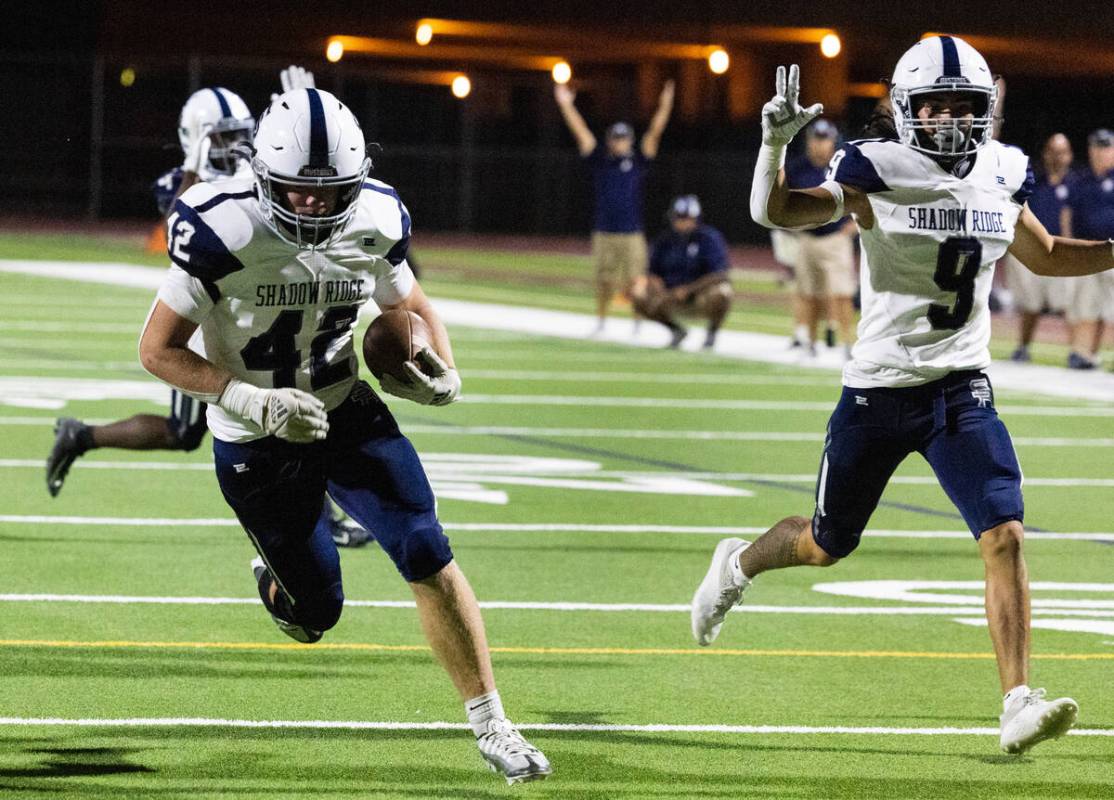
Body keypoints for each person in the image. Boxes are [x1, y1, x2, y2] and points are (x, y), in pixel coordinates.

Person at [695, 37, 1114, 755]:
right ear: (903, 110)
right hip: (879, 391)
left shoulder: (1002, 171)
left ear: (988, 110)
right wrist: (772, 147)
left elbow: (1043, 253)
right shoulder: (873, 167)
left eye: (964, 106)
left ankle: (1016, 701)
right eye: (934, 105)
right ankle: (737, 565)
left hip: (961, 388)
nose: (949, 120)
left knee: (1005, 534)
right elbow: (780, 213)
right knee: (827, 545)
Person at [136, 87, 550, 783]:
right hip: (253, 435)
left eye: (330, 195)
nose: (314, 207)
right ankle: (279, 585)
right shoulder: (221, 227)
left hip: (343, 405)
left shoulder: (378, 217)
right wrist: (247, 399)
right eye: (297, 193)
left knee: (426, 547)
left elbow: (410, 305)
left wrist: (441, 365)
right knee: (317, 613)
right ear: (266, 178)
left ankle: (493, 725)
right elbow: (156, 349)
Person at [46, 72, 372, 549]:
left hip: (255, 316)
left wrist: (294, 129)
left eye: (238, 135)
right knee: (195, 428)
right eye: (218, 138)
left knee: (280, 399)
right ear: (192, 139)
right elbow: (181, 234)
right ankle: (83, 436)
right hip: (206, 325)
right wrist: (196, 172)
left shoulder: (259, 173)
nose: (231, 146)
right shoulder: (176, 183)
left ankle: (319, 518)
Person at [554, 79, 675, 334]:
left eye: (624, 138)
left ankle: (637, 324)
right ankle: (601, 321)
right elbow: (581, 132)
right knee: (603, 280)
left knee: (636, 280)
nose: (620, 142)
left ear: (630, 140)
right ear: (610, 140)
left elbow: (655, 131)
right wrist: (566, 105)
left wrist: (665, 105)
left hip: (631, 231)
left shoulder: (638, 161)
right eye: (616, 138)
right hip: (604, 229)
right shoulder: (600, 161)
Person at [784, 119, 857, 358]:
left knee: (842, 293)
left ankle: (849, 343)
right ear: (809, 141)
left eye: (824, 140)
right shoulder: (797, 168)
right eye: (816, 139)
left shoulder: (844, 166)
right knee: (808, 293)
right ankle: (809, 342)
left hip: (835, 238)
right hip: (806, 238)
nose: (820, 145)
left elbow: (865, 197)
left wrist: (855, 225)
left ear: (833, 142)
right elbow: (783, 199)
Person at [631, 194, 732, 349]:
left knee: (723, 292)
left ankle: (712, 332)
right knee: (638, 293)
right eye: (678, 218)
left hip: (699, 295)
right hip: (668, 296)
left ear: (695, 219)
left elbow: (721, 274)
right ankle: (676, 330)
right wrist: (657, 286)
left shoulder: (709, 239)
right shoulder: (664, 240)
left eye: (685, 218)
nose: (681, 222)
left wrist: (688, 290)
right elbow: (652, 271)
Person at [1006, 133, 1074, 363]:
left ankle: (1078, 350)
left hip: (1062, 251)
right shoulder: (1033, 181)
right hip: (1033, 249)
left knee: (1069, 304)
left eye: (1061, 152)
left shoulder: (1075, 184)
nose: (1057, 157)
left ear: (1069, 155)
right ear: (1045, 154)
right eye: (1053, 151)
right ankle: (1023, 347)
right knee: (1030, 304)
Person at [1061, 129, 1114, 368]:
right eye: (1097, 147)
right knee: (1086, 306)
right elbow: (1067, 214)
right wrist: (1068, 245)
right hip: (1087, 251)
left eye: (1106, 147)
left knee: (1109, 309)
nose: (1101, 152)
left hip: (1112, 250)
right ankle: (1081, 353)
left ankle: (1093, 352)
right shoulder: (1079, 179)